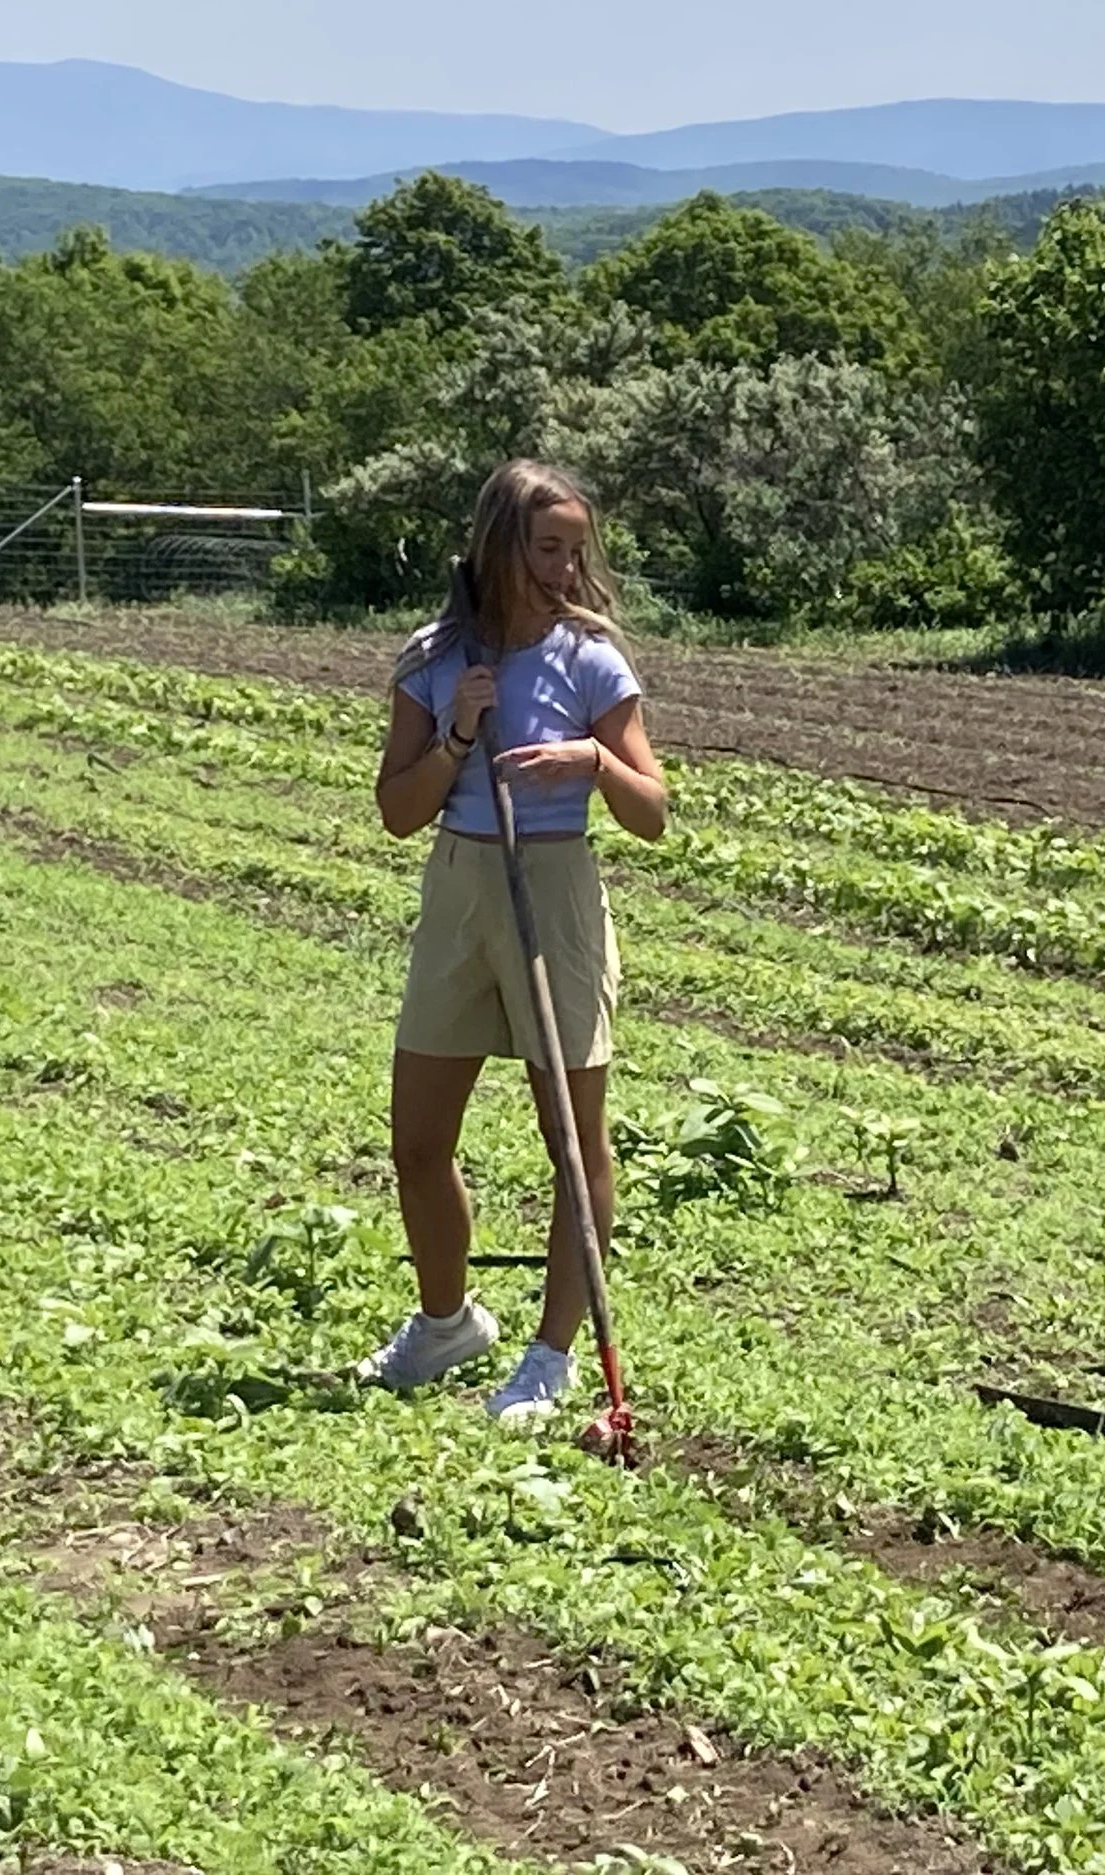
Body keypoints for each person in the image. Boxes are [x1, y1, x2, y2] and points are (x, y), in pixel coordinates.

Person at [355, 460, 669, 1423]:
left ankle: (551, 1356)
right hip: (461, 885)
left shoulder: (592, 661)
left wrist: (593, 758)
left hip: (556, 889)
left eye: (576, 550)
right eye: (547, 548)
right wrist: (456, 734)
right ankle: (446, 1323)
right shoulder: (437, 656)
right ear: (499, 545)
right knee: (418, 1139)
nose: (566, 569)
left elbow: (653, 813)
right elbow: (397, 811)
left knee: (571, 1140)